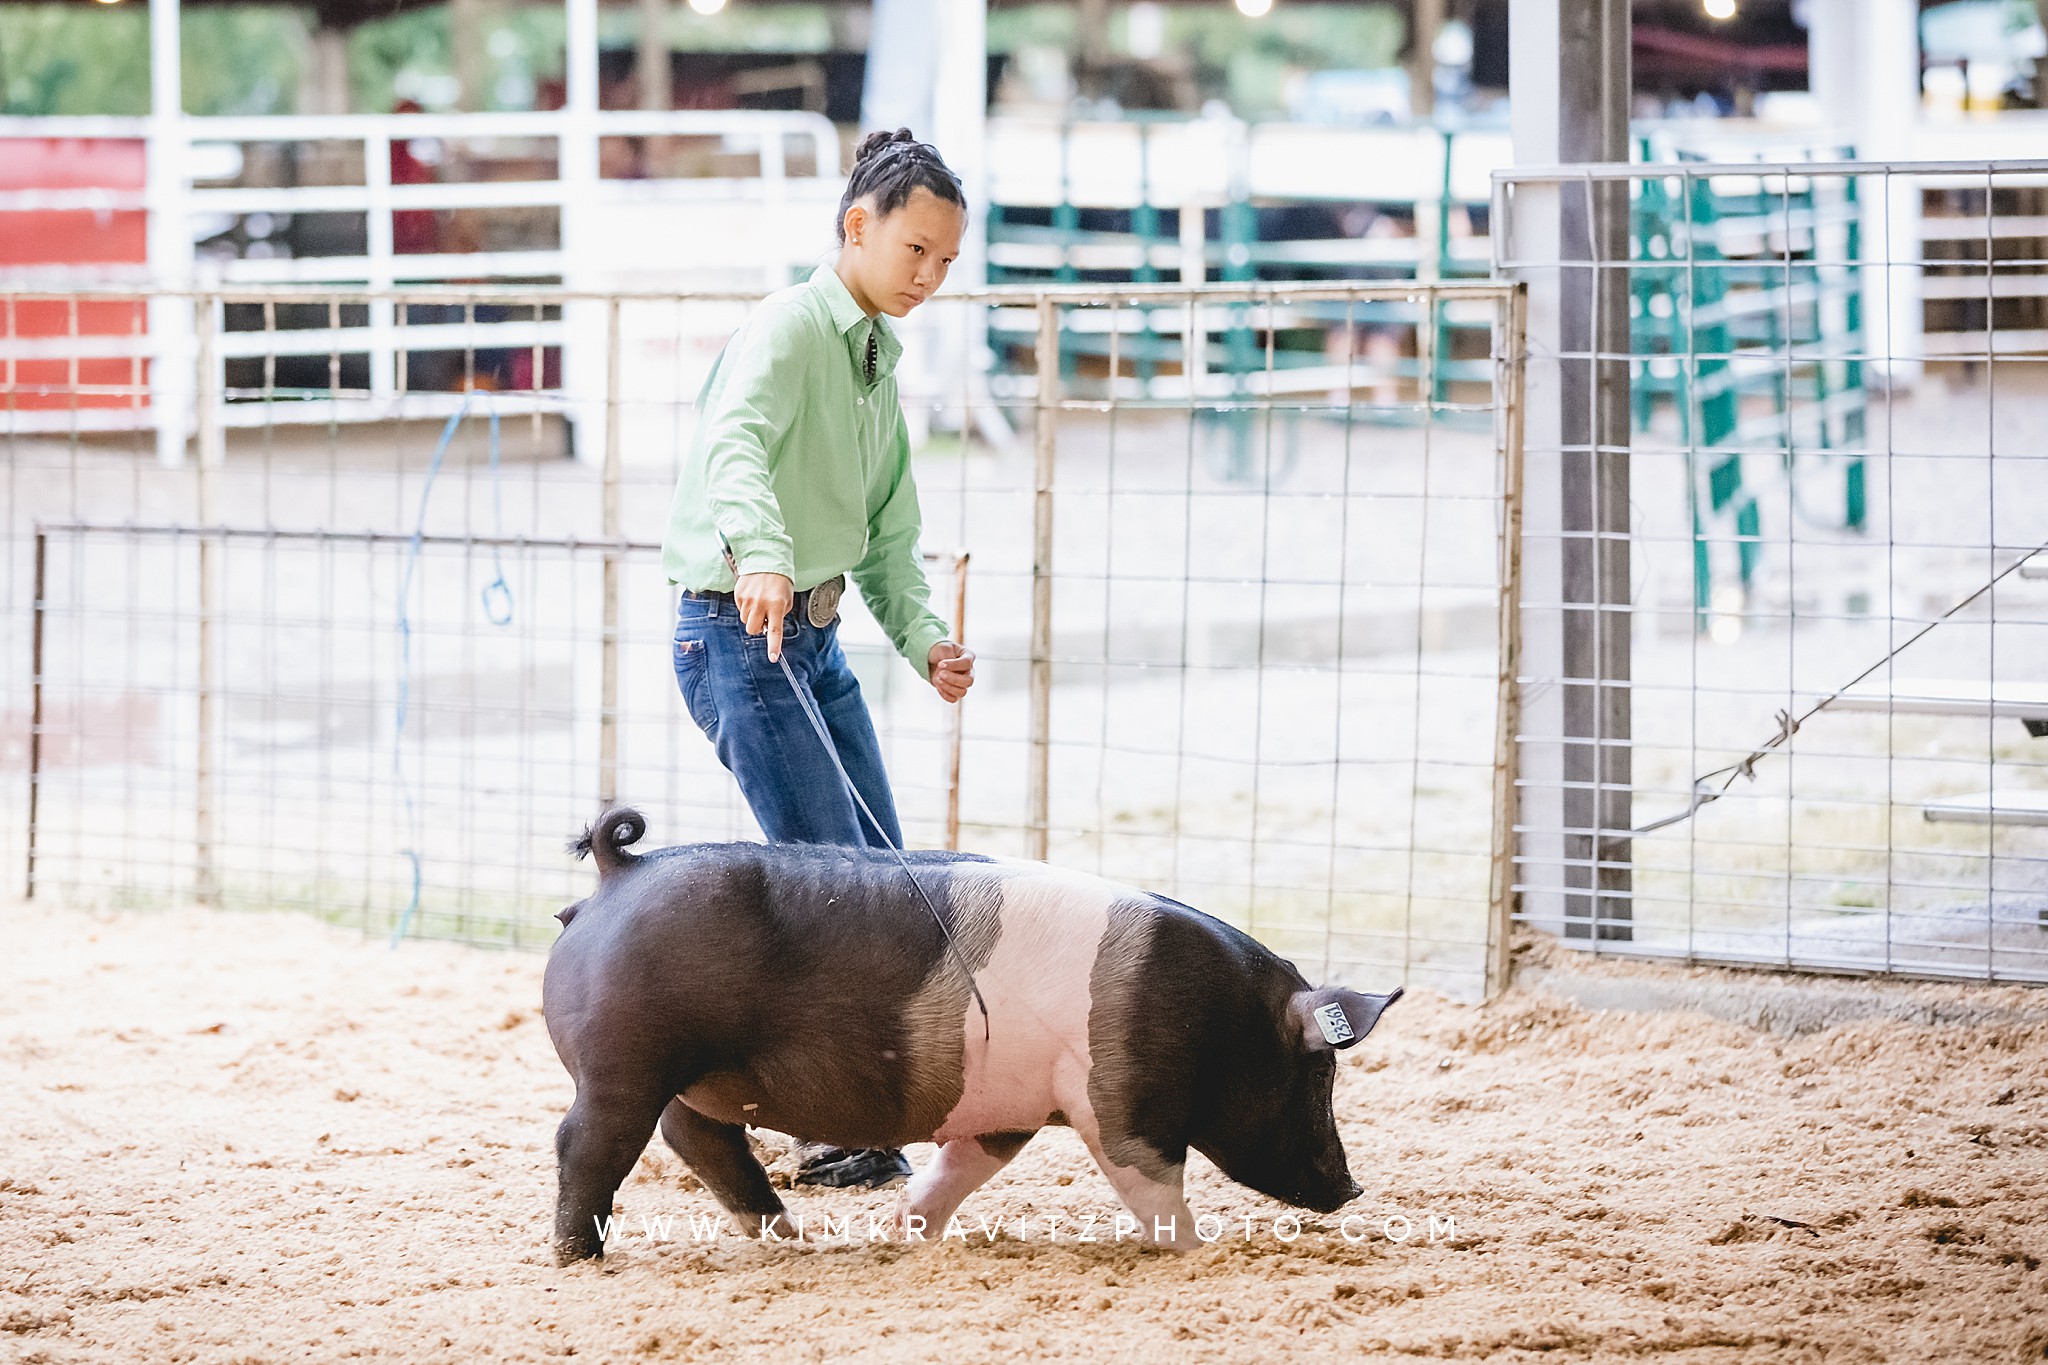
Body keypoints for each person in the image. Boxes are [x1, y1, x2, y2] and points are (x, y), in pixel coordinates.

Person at [660, 128, 977, 1190]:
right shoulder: (789, 332)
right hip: (739, 629)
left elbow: (886, 534)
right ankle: (831, 1119)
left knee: (879, 872)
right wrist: (759, 550)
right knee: (835, 891)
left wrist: (925, 636)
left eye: (945, 261)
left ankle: (847, 1107)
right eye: (915, 252)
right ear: (857, 227)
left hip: (810, 634)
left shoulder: (874, 362)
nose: (928, 276)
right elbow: (731, 444)